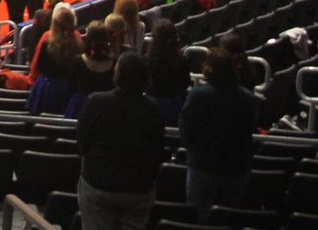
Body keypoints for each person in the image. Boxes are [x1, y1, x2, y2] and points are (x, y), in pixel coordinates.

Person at [74, 53, 166, 230]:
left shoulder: (96, 102)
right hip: (138, 187)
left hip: (98, 183)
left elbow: (82, 143)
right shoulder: (152, 108)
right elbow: (157, 148)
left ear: (118, 75)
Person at [178, 48, 261, 215]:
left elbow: (185, 131)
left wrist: (195, 150)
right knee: (226, 218)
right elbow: (251, 130)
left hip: (202, 167)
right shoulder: (248, 98)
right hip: (236, 168)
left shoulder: (197, 95)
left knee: (199, 217)